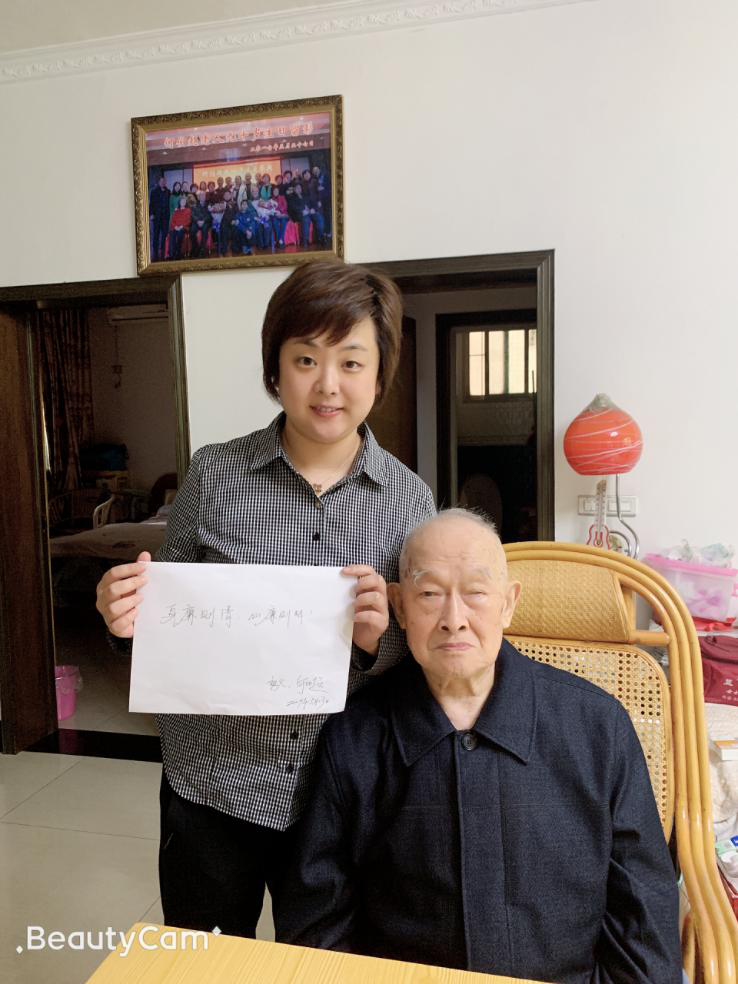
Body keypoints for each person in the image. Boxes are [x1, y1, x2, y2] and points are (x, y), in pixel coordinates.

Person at [94, 260, 435, 940]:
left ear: (380, 374)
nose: (328, 384)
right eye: (306, 359)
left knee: (324, 965)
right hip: (210, 781)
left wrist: (381, 641)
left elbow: (426, 654)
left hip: (344, 792)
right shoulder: (214, 474)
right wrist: (123, 619)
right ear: (275, 370)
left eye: (351, 362)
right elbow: (165, 613)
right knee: (207, 959)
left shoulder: (410, 500)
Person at [274, 509, 682, 984]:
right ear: (399, 607)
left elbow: (645, 922)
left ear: (508, 603)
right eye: (429, 594)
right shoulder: (354, 736)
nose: (454, 620)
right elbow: (317, 926)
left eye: (476, 592)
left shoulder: (599, 726)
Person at [149, 175, 170, 262]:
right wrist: (151, 214)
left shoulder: (168, 191)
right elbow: (151, 204)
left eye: (164, 181)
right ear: (158, 182)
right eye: (161, 181)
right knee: (156, 236)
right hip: (157, 217)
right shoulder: (154, 191)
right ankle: (155, 254)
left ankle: (163, 253)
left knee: (164, 235)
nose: (163, 183)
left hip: (165, 217)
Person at [168, 194, 192, 260]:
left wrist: (181, 226)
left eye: (184, 201)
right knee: (172, 233)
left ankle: (178, 252)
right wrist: (175, 227)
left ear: (186, 202)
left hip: (184, 227)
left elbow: (188, 221)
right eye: (182, 201)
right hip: (176, 227)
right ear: (179, 202)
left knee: (180, 233)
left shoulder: (188, 210)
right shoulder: (176, 211)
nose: (183, 202)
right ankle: (171, 254)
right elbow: (172, 221)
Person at [189, 191, 212, 258]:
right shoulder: (195, 204)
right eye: (201, 196)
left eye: (203, 196)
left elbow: (209, 215)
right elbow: (193, 215)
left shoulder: (208, 204)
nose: (202, 197)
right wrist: (198, 221)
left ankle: (202, 249)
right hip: (197, 222)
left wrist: (203, 221)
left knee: (205, 229)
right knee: (192, 230)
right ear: (198, 197)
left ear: (205, 197)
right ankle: (196, 247)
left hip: (205, 222)